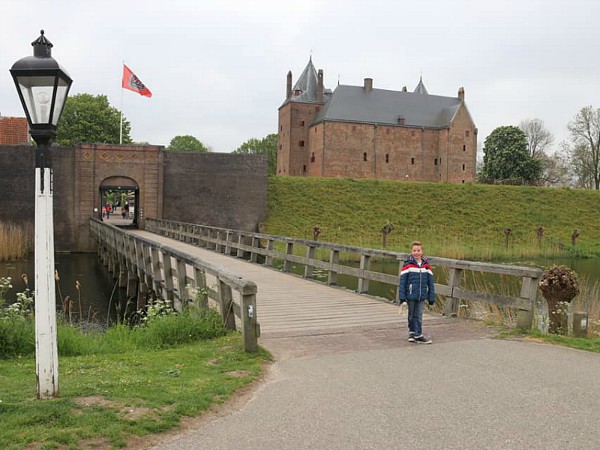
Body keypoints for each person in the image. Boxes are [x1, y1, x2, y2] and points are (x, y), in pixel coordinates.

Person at [398, 241, 435, 344]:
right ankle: (412, 332)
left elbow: (430, 283)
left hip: (422, 295)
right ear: (411, 251)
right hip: (410, 294)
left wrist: (431, 297)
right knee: (411, 315)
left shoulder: (426, 266)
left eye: (418, 250)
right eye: (414, 250)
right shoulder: (408, 265)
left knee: (418, 315)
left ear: (422, 251)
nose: (416, 253)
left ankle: (418, 335)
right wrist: (402, 298)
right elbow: (402, 283)